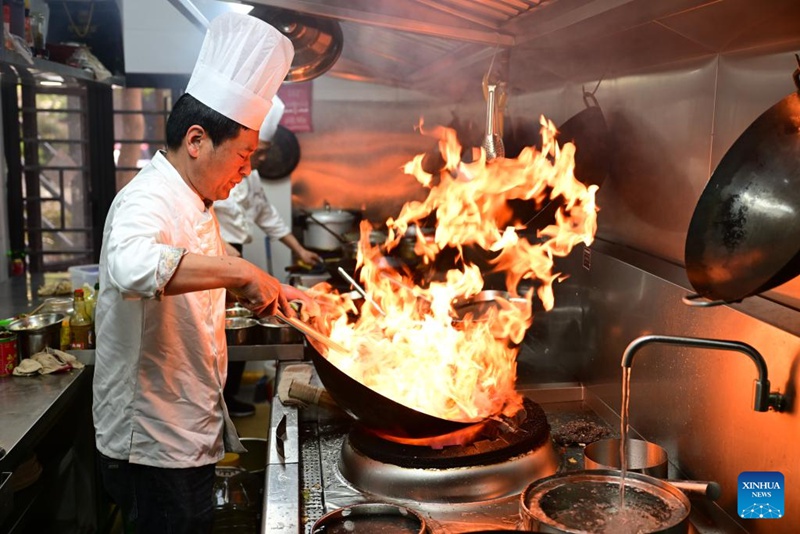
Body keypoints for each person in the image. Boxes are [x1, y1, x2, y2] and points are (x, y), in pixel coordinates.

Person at [92, 13, 301, 533]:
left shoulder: (198, 201)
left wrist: (273, 291)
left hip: (184, 426)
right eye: (244, 156)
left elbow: (197, 285)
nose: (247, 171)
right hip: (153, 443)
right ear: (196, 140)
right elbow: (131, 265)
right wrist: (240, 273)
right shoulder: (146, 198)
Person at [214, 95, 321, 416]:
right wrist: (230, 258)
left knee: (237, 326)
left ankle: (228, 397)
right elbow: (202, 221)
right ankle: (221, 400)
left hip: (235, 254)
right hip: (213, 257)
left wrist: (300, 249)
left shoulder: (253, 177)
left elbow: (266, 215)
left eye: (261, 153)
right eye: (254, 152)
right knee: (225, 328)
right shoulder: (215, 173)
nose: (258, 160)